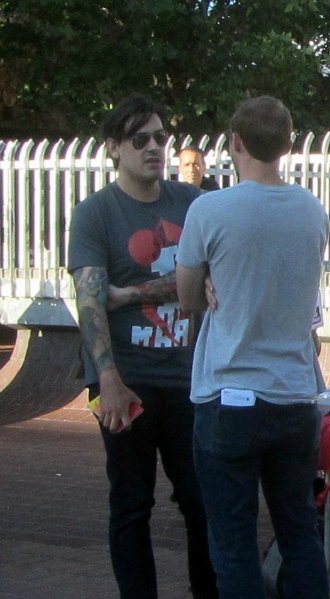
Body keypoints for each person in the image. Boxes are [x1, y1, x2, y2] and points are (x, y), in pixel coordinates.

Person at [176, 95, 330, 599]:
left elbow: (185, 298)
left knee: (234, 544)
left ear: (235, 143)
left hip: (229, 396)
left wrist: (206, 284)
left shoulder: (208, 209)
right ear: (288, 143)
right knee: (300, 533)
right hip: (293, 395)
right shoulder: (312, 211)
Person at [67, 93, 218, 599]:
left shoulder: (193, 204)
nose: (154, 147)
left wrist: (128, 294)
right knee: (131, 503)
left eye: (160, 137)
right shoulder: (95, 214)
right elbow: (89, 302)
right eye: (140, 139)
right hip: (124, 378)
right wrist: (107, 379)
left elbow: (210, 284)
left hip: (187, 378)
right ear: (114, 148)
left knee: (201, 500)